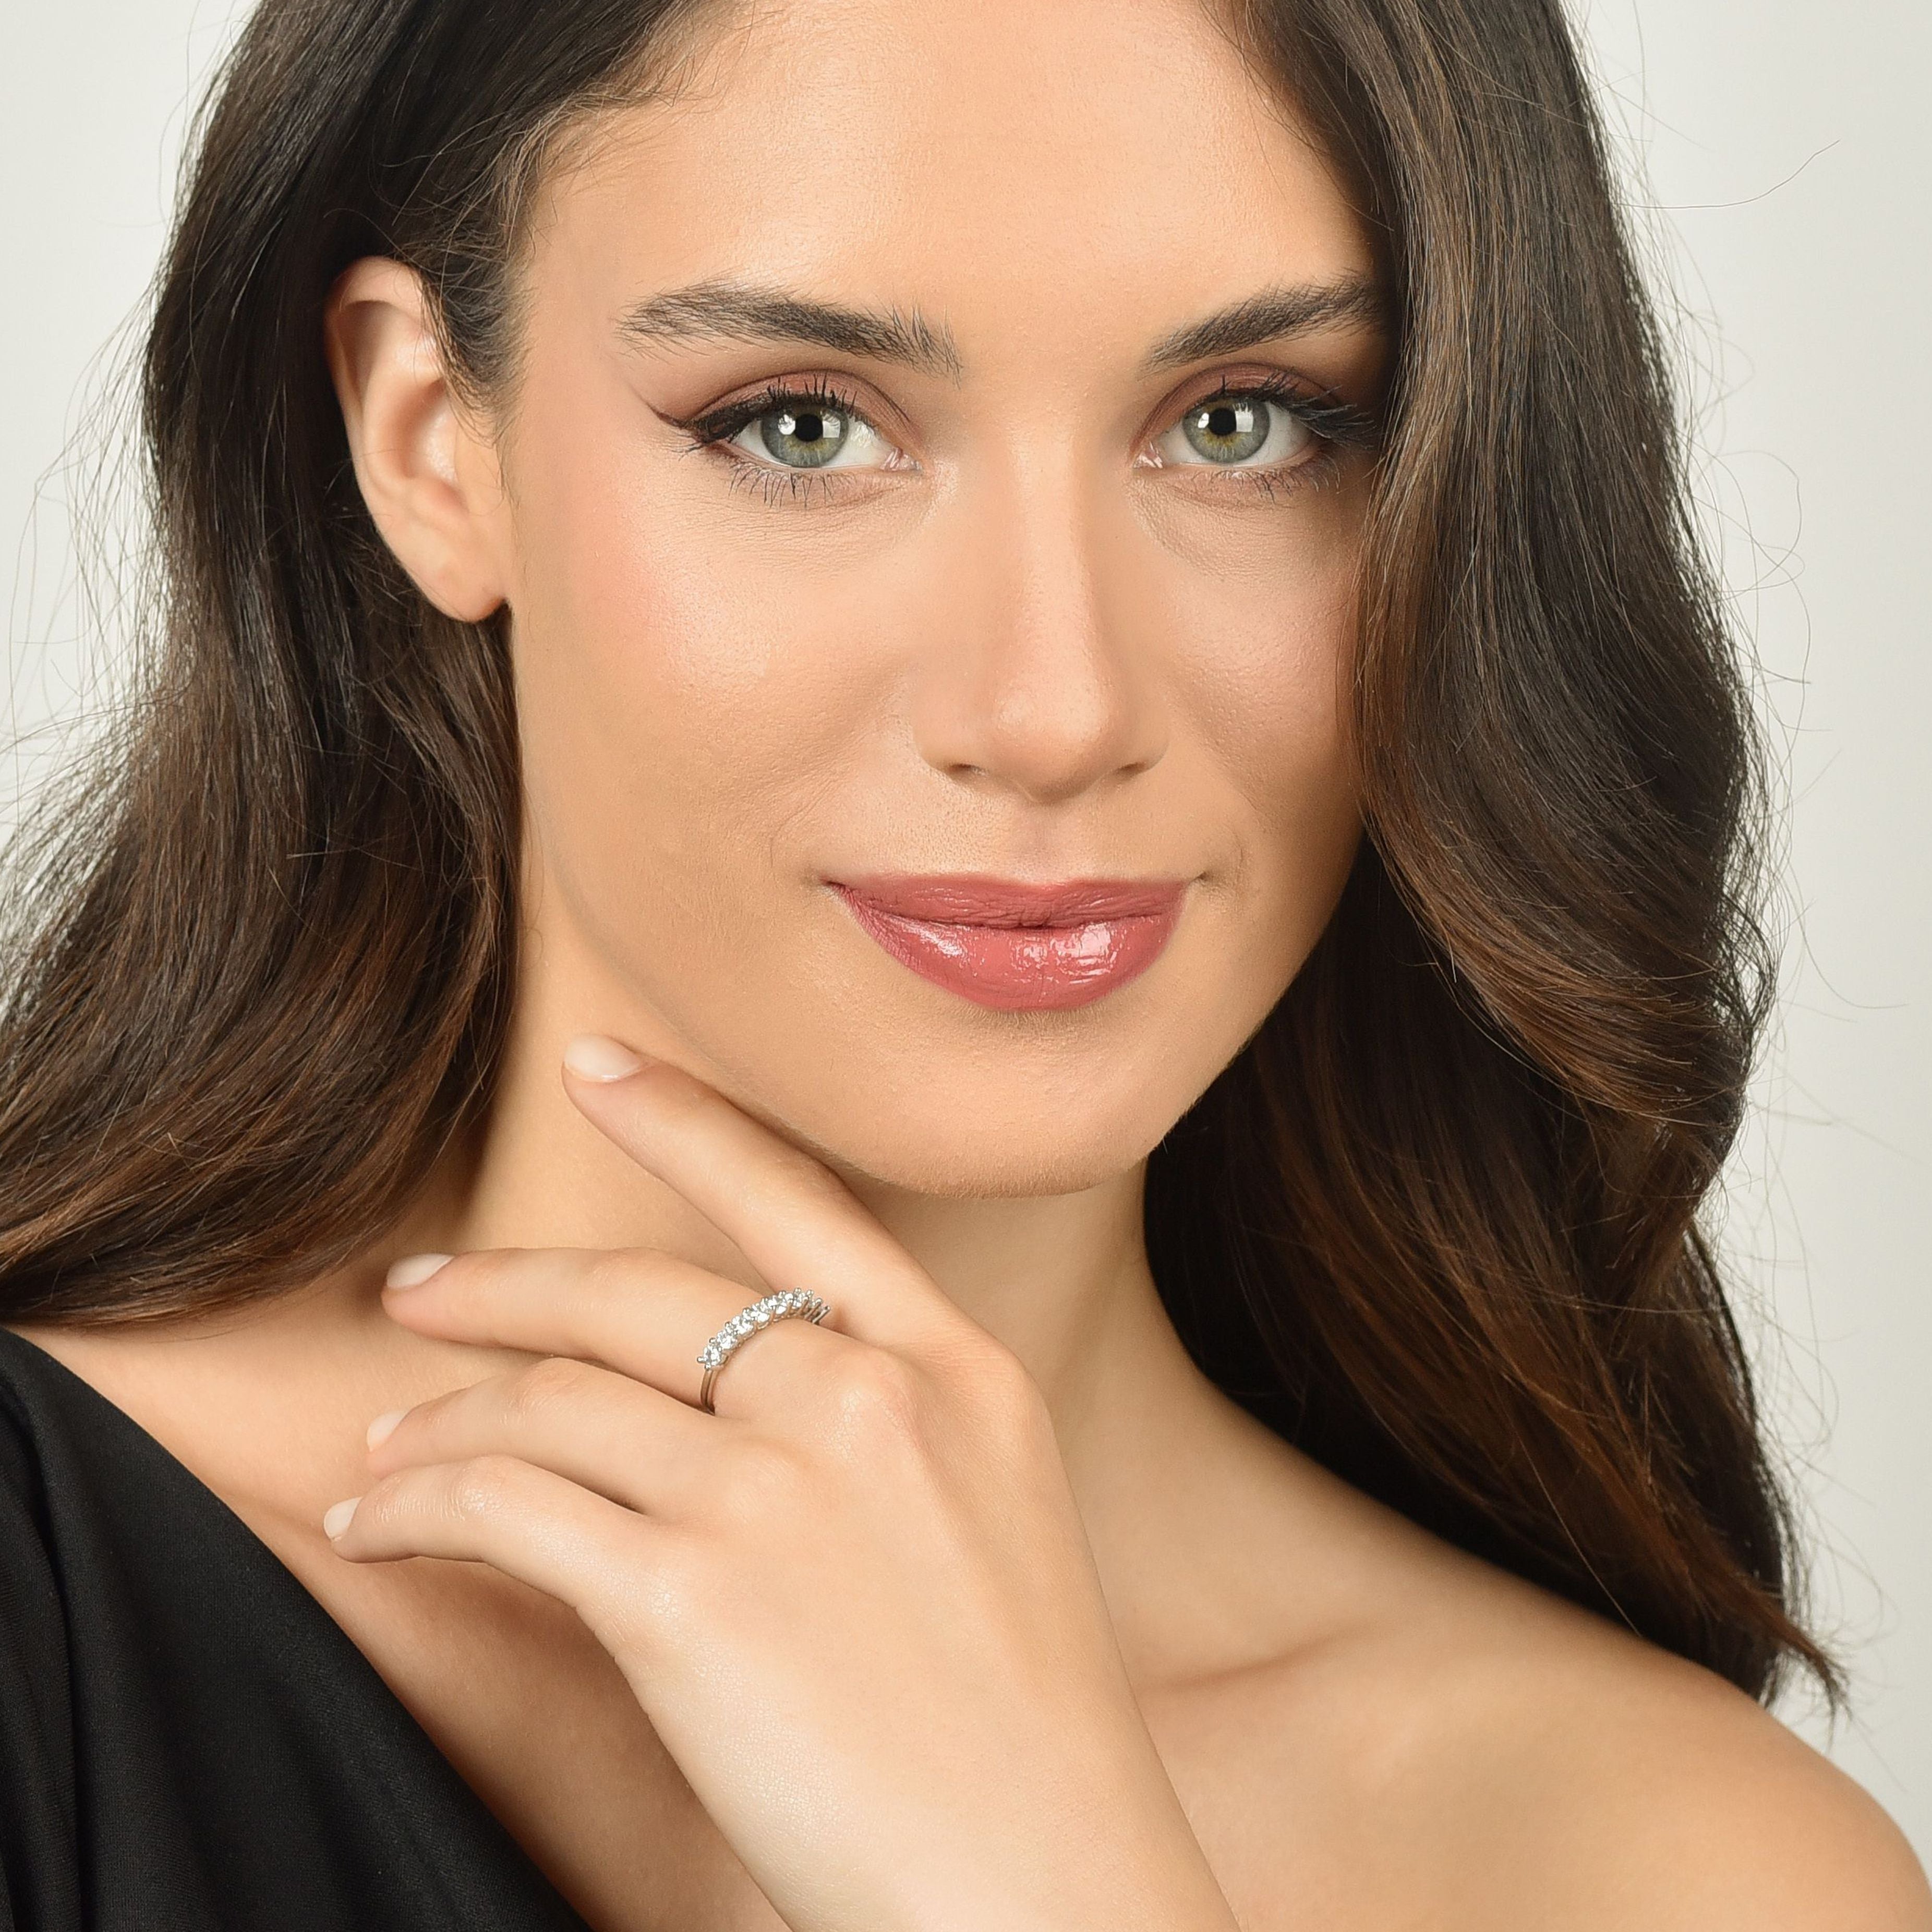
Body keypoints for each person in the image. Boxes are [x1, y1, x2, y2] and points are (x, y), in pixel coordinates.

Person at [0, 0, 1924, 1925]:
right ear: (430, 443)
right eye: (804, 426)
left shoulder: (1686, 1872)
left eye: (1244, 425)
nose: (1053, 709)